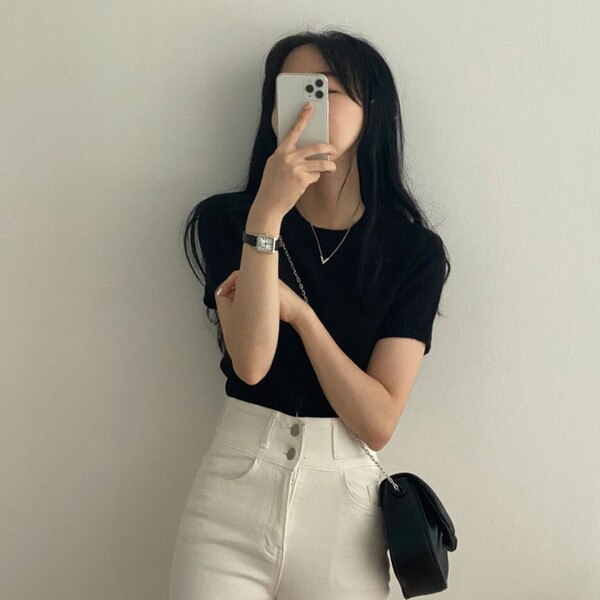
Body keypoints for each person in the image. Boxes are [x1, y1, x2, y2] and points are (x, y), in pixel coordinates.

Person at [169, 28, 451, 600]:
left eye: (327, 88)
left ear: (373, 109)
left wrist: (301, 315)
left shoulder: (412, 251)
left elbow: (377, 421)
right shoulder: (227, 221)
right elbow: (252, 364)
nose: (306, 105)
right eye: (291, 89)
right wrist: (267, 214)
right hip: (233, 494)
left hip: (344, 509)